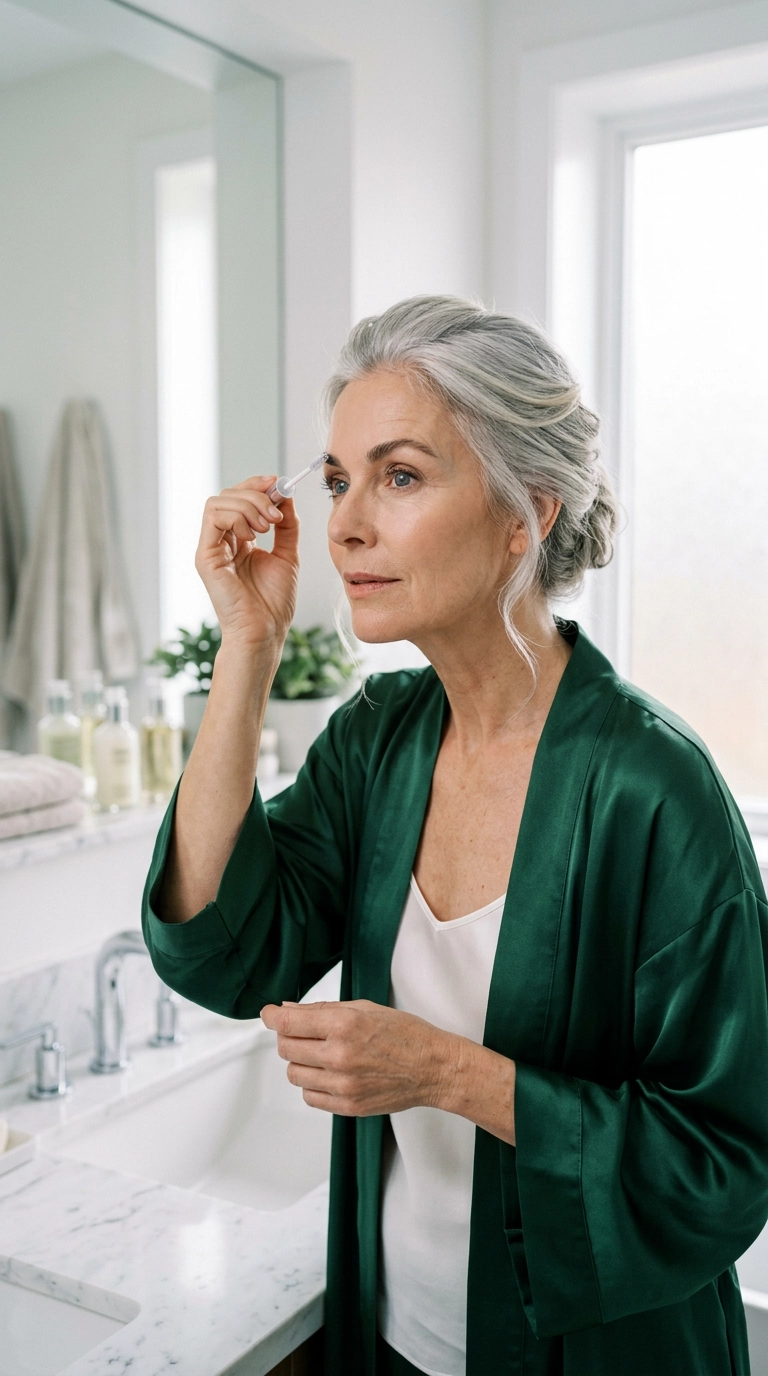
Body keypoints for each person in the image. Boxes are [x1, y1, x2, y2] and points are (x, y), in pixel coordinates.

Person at [142, 296, 768, 1376]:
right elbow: (222, 941)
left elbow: (722, 1159)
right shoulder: (376, 742)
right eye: (338, 478)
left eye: (400, 475)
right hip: (394, 1342)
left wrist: (449, 1072)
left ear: (525, 512)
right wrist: (246, 642)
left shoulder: (657, 792)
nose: (343, 525)